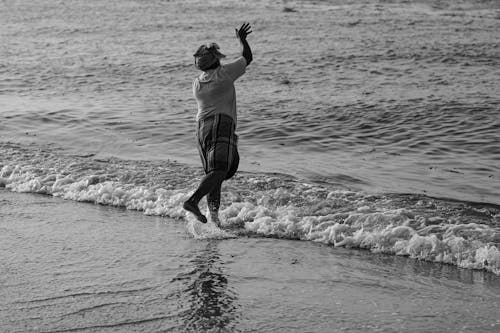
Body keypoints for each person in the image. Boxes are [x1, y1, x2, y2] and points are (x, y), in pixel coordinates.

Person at [183, 22, 253, 225]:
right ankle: (192, 201)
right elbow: (247, 58)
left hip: (201, 129)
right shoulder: (224, 75)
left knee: (215, 177)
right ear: (216, 60)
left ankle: (215, 221)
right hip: (221, 124)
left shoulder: (197, 82)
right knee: (220, 171)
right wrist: (242, 40)